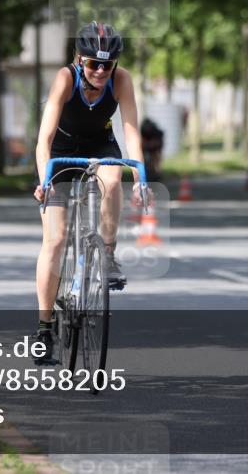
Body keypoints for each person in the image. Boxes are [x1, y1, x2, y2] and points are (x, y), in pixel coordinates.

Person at [31, 21, 147, 363]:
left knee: (112, 179)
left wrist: (140, 177)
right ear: (79, 59)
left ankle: (107, 253)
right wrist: (45, 180)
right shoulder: (65, 78)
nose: (100, 71)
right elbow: (44, 139)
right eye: (93, 63)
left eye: (107, 65)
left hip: (100, 143)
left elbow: (131, 132)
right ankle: (44, 328)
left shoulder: (121, 80)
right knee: (55, 240)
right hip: (61, 150)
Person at [140, 118, 165, 184]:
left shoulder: (156, 133)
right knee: (144, 159)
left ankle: (157, 173)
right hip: (149, 143)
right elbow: (143, 144)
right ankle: (147, 171)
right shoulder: (143, 131)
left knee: (155, 158)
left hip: (156, 144)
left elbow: (157, 144)